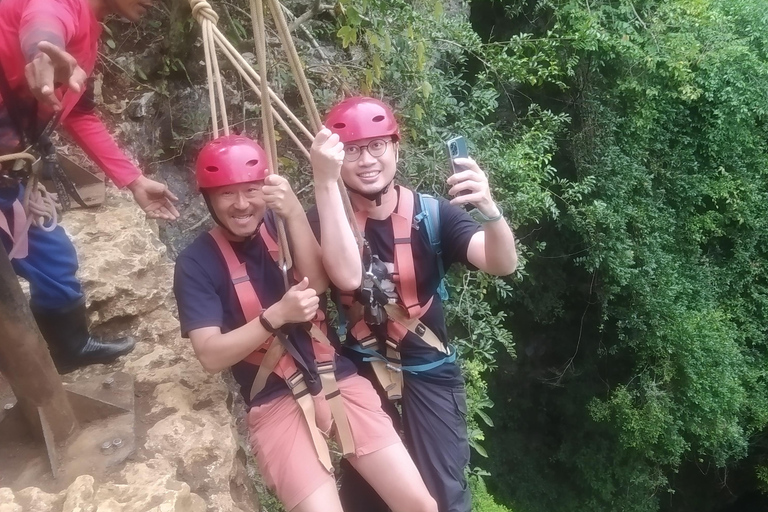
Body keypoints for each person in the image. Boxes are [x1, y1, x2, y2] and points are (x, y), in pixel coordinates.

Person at [173, 133, 437, 512]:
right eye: (227, 194)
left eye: (251, 189)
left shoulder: (282, 227)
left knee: (420, 505)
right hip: (274, 398)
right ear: (209, 199)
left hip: (335, 377)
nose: (242, 204)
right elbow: (211, 356)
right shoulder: (196, 263)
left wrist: (295, 213)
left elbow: (321, 282)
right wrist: (274, 317)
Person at [310, 96, 518, 512]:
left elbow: (501, 262)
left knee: (443, 494)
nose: (366, 160)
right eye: (351, 150)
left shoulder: (432, 215)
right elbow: (337, 278)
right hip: (361, 374)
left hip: (430, 370)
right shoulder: (323, 222)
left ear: (395, 150)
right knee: (367, 498)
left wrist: (491, 212)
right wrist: (324, 184)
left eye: (376, 146)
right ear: (335, 158)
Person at [0, 0, 180, 372]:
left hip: (9, 171)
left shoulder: (89, 32)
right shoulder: (63, 5)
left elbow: (79, 114)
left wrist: (133, 180)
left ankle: (69, 347)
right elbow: (43, 22)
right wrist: (43, 54)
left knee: (52, 256)